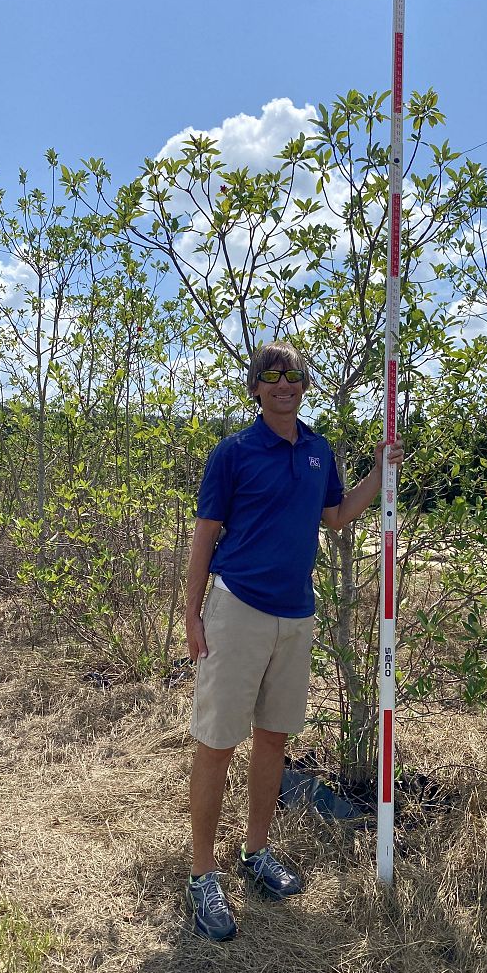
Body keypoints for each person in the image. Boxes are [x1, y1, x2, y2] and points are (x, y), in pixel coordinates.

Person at [184, 340, 404, 941]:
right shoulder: (233, 452)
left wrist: (380, 473)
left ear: (305, 385)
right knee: (217, 743)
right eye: (271, 376)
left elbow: (335, 516)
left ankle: (256, 853)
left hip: (295, 615)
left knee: (273, 741)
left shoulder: (316, 451)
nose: (284, 384)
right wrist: (192, 613)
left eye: (294, 376)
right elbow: (206, 534)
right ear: (256, 388)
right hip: (236, 609)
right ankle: (203, 875)